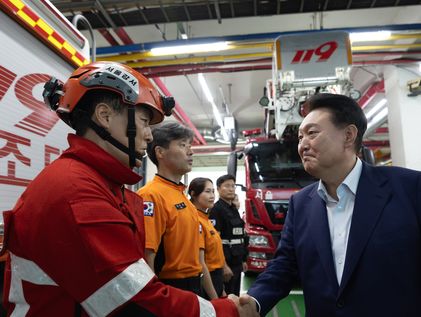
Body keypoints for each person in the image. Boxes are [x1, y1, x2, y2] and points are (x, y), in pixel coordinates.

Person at [0, 61, 256, 317]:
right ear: (104, 116)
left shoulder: (99, 184)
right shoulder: (77, 191)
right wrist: (226, 312)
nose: (148, 135)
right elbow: (135, 305)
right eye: (144, 122)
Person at [246, 93, 421, 316]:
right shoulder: (301, 204)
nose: (302, 145)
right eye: (300, 138)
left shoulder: (409, 188)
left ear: (348, 136)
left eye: (311, 133)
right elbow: (284, 266)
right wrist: (254, 301)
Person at [137, 122, 204, 295]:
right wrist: (152, 299)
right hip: (171, 286)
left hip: (194, 283)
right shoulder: (150, 195)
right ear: (160, 152)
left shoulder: (183, 196)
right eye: (182, 145)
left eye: (189, 146)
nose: (191, 151)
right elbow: (147, 254)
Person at [188, 177, 228, 299]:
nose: (212, 196)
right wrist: (215, 298)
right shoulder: (195, 220)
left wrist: (221, 289)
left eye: (212, 191)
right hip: (206, 282)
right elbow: (201, 263)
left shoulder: (206, 219)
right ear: (194, 194)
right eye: (207, 191)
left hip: (216, 279)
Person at [209, 174, 248, 296]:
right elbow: (215, 241)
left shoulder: (233, 208)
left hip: (236, 260)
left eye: (233, 186)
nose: (231, 189)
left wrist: (243, 260)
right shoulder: (216, 210)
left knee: (235, 295)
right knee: (226, 297)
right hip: (226, 263)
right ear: (219, 189)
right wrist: (223, 266)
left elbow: (239, 237)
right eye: (227, 186)